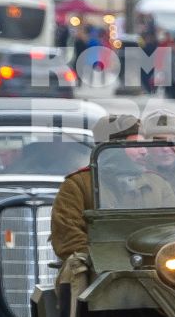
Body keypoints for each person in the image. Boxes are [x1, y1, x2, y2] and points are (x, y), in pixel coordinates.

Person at [50, 111, 141, 272]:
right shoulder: (77, 185)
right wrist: (112, 260)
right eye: (135, 145)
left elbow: (174, 226)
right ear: (113, 148)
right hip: (98, 270)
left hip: (153, 265)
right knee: (76, 276)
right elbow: (67, 238)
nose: (144, 151)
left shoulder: (156, 182)